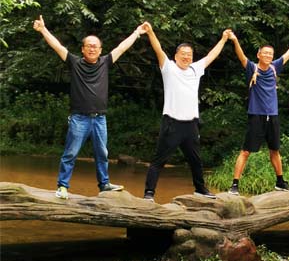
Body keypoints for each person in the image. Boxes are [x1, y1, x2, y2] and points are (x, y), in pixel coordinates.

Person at [33, 15, 146, 199]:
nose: (92, 48)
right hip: (79, 118)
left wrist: (137, 32)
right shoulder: (75, 63)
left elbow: (122, 47)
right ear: (83, 49)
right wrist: (43, 30)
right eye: (89, 46)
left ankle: (104, 185)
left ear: (100, 50)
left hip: (100, 118)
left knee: (102, 153)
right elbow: (58, 46)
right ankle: (62, 186)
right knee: (70, 153)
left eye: (95, 46)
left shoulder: (105, 62)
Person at [142, 22, 231, 201]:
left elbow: (211, 55)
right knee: (159, 160)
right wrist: (150, 32)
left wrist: (223, 39)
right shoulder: (168, 68)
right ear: (176, 56)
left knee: (196, 160)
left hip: (191, 125)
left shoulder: (196, 69)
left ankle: (200, 189)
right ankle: (149, 193)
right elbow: (158, 49)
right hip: (172, 123)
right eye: (183, 54)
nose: (186, 57)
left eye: (189, 54)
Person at [227, 29, 289, 195]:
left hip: (272, 116)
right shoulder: (252, 68)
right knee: (246, 151)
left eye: (270, 54)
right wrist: (235, 40)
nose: (268, 55)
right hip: (256, 115)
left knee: (275, 150)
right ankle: (235, 184)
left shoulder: (275, 67)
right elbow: (241, 57)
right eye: (265, 53)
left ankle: (280, 181)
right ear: (259, 54)